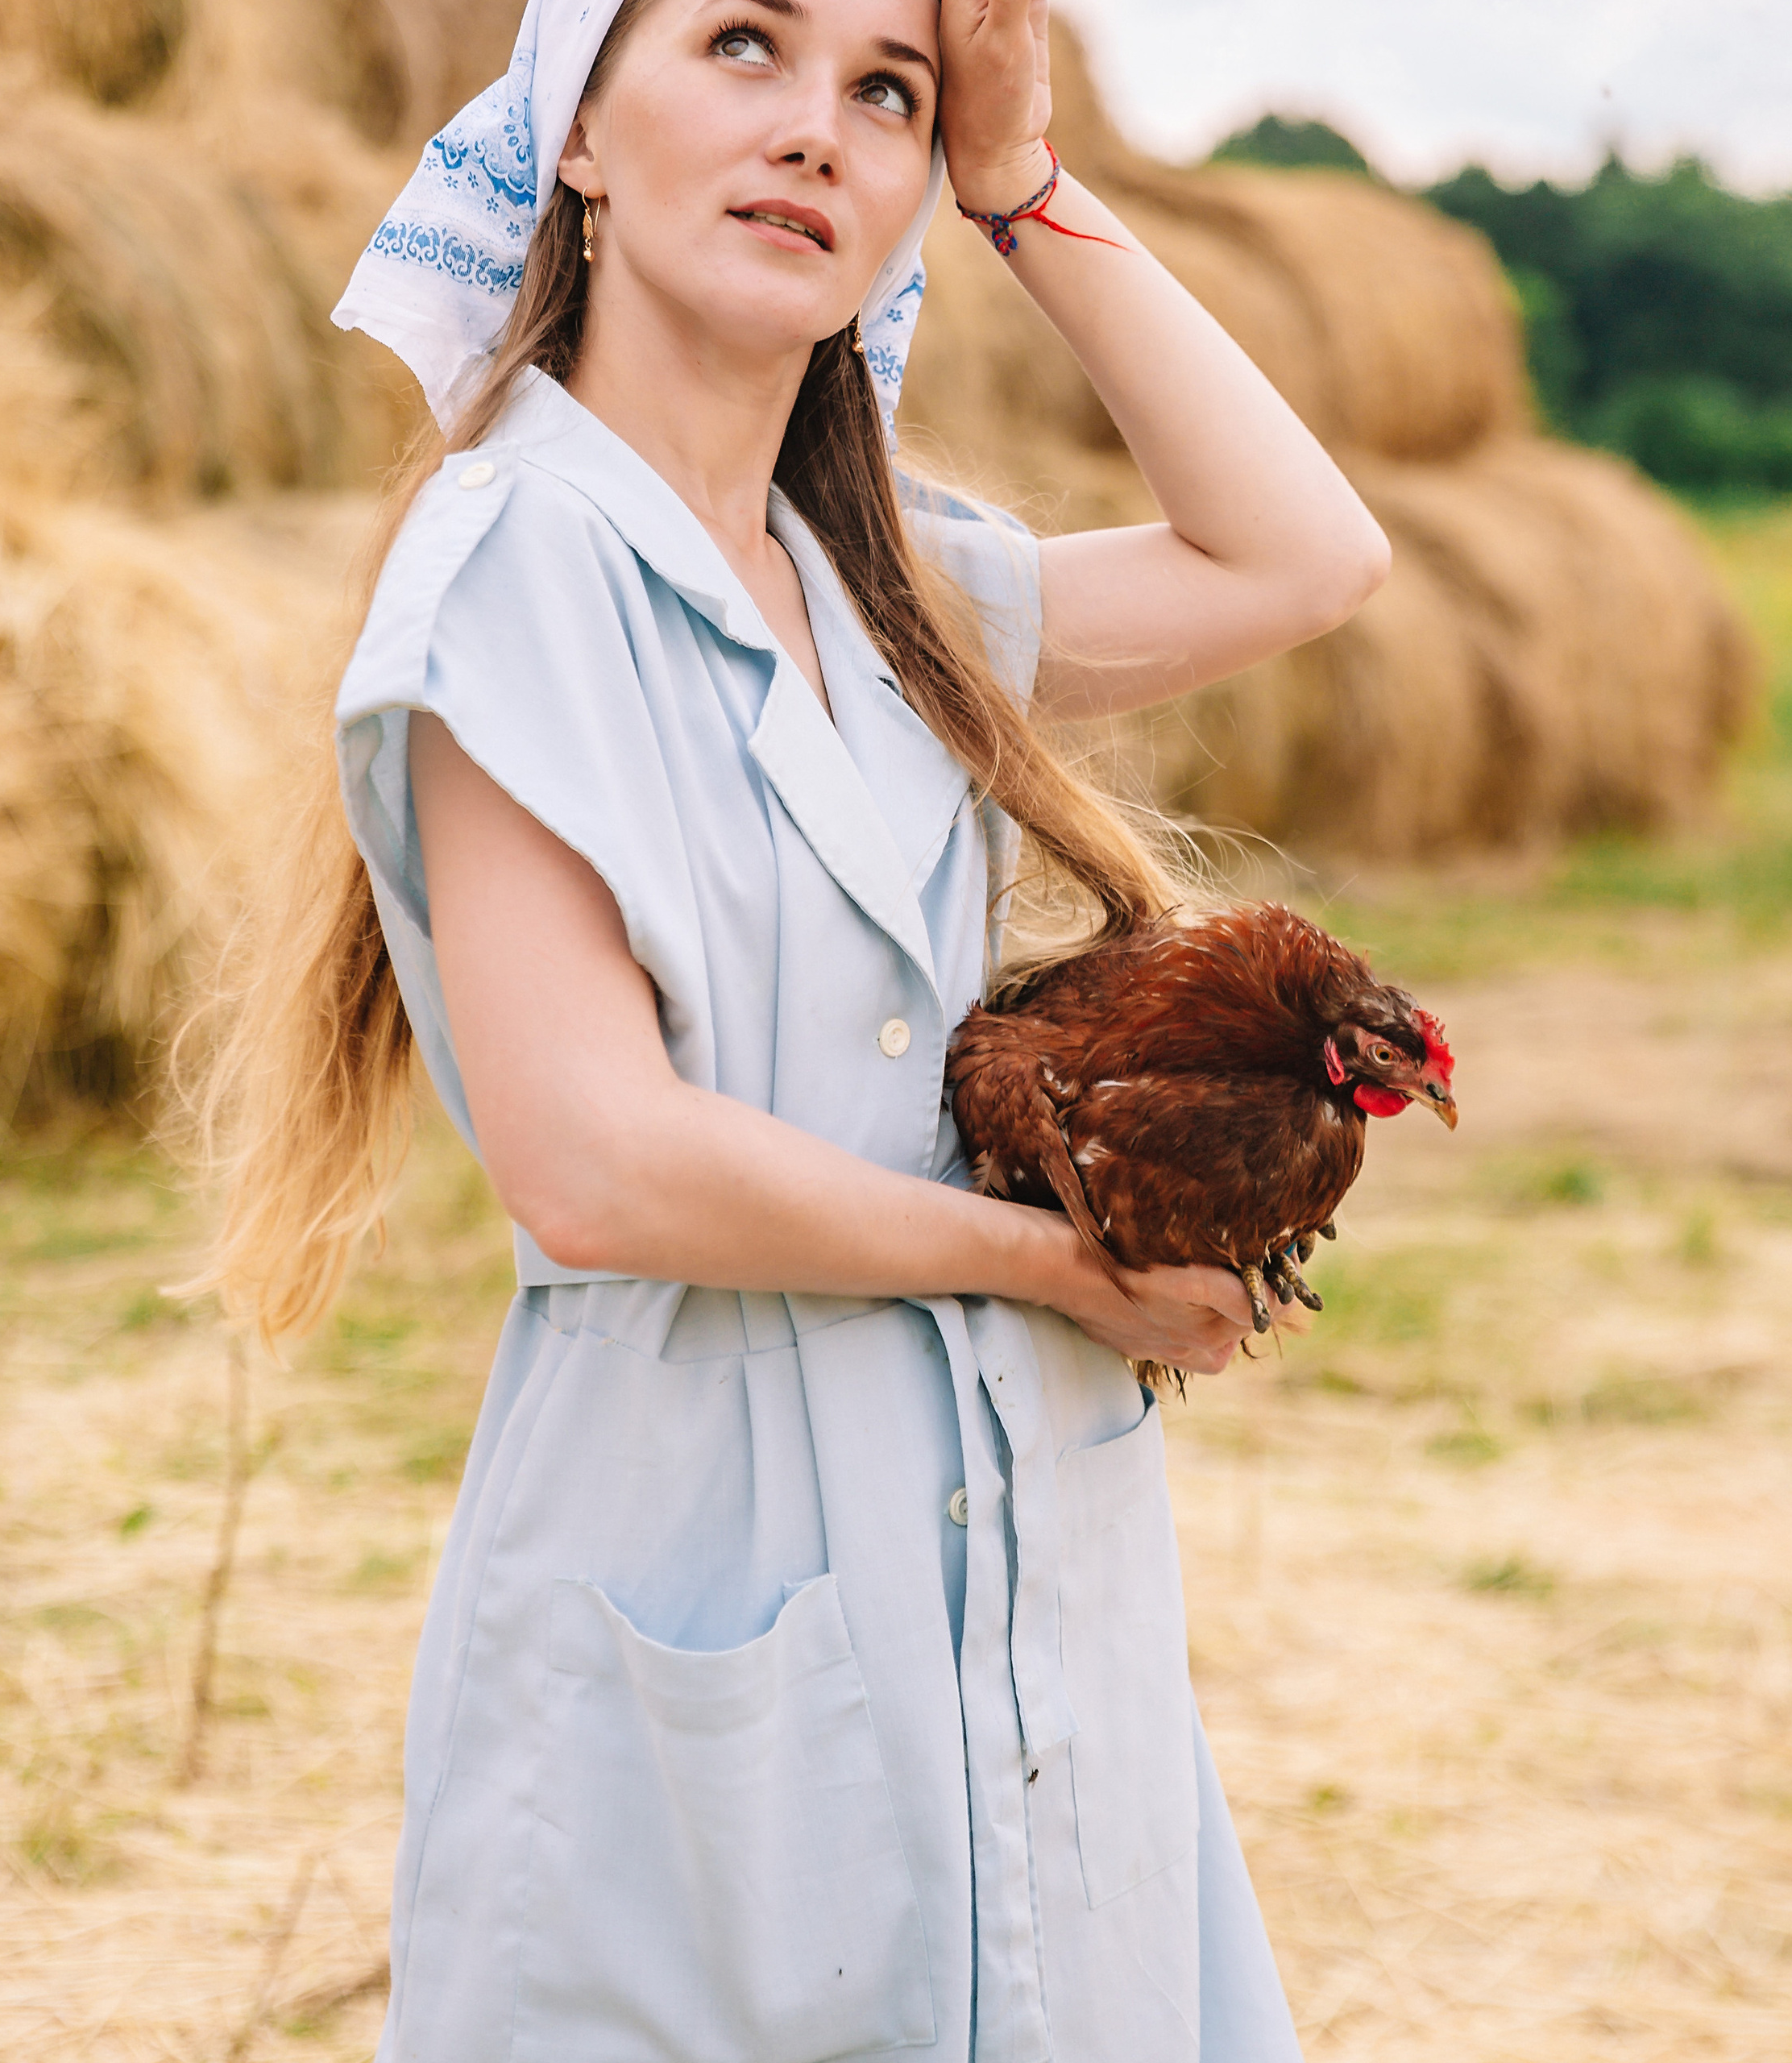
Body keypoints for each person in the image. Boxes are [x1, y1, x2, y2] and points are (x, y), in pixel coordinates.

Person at [201, 0, 1389, 2055]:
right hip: (711, 1515)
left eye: (883, 94)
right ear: (570, 130)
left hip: (1012, 1527)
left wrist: (1018, 183)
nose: (814, 134)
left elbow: (1305, 552)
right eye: (740, 45)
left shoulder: (886, 587)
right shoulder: (515, 570)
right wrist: (1053, 1263)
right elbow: (599, 1157)